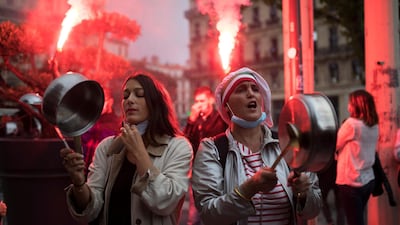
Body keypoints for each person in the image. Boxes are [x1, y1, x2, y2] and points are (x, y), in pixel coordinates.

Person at [60, 71, 193, 225]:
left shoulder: (178, 147)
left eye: (139, 94)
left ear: (155, 102)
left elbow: (165, 202)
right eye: (126, 96)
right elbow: (92, 210)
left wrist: (139, 153)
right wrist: (79, 183)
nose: (130, 100)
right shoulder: (108, 147)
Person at [192, 67, 322, 225]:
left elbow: (314, 210)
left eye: (255, 89)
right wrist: (249, 188)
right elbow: (208, 213)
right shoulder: (212, 150)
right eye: (240, 90)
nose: (250, 94)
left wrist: (303, 193)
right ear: (226, 105)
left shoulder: (287, 144)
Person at [183, 86, 228, 225]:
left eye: (202, 101)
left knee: (216, 214)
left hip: (218, 173)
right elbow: (184, 142)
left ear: (210, 100)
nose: (198, 105)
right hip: (198, 174)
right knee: (194, 216)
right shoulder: (196, 121)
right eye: (196, 101)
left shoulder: (220, 118)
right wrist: (191, 121)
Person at [335, 89, 378, 225]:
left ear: (356, 105)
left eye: (350, 103)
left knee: (354, 221)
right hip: (368, 180)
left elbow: (335, 144)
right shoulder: (374, 125)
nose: (348, 106)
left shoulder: (351, 124)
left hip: (351, 181)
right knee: (359, 218)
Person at [317, 160, 344, 225]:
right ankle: (339, 222)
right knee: (340, 204)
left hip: (325, 176)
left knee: (322, 200)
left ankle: (330, 221)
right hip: (336, 173)